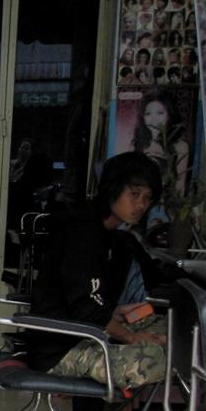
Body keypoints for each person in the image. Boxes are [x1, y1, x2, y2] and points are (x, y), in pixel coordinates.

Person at [23, 152, 166, 390]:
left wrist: (115, 313)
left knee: (168, 331)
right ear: (113, 189)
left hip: (85, 335)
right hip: (60, 350)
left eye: (147, 198)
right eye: (134, 194)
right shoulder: (81, 233)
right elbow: (86, 305)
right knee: (154, 359)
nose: (141, 204)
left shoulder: (108, 235)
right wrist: (131, 337)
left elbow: (88, 297)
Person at [131, 89, 189, 198]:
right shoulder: (137, 145)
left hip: (166, 203)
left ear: (170, 115)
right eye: (148, 113)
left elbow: (180, 189)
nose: (154, 119)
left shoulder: (180, 146)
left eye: (160, 113)